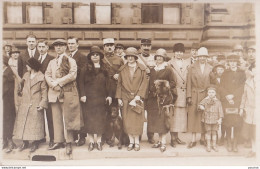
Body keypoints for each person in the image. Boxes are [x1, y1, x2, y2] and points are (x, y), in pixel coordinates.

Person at [45, 39, 82, 155]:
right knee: (56, 119)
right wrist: (52, 84)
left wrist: (58, 82)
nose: (58, 48)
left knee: (68, 118)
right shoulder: (51, 62)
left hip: (67, 92)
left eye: (61, 46)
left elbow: (72, 75)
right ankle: (58, 141)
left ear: (65, 47)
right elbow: (47, 74)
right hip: (54, 93)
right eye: (56, 46)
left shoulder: (71, 60)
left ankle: (69, 142)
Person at [79, 46, 112, 151]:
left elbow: (109, 83)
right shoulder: (85, 68)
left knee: (100, 120)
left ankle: (98, 141)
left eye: (97, 55)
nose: (95, 56)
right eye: (93, 55)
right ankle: (91, 142)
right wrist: (83, 95)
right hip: (88, 99)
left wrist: (110, 95)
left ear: (100, 56)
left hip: (101, 99)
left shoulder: (105, 68)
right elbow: (80, 83)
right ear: (90, 57)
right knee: (89, 120)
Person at [116, 47, 148, 151]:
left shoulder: (142, 69)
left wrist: (139, 96)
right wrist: (119, 98)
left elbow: (144, 83)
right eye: (128, 56)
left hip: (137, 98)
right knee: (127, 120)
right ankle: (131, 142)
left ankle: (137, 142)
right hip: (125, 98)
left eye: (132, 56)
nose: (130, 58)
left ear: (135, 57)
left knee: (137, 121)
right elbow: (119, 84)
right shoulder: (122, 69)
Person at [13, 58, 48, 153]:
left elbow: (44, 92)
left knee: (35, 125)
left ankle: (35, 143)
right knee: (23, 123)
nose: (26, 66)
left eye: (28, 65)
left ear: (32, 66)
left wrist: (42, 104)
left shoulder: (41, 77)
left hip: (35, 103)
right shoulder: (26, 75)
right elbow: (21, 87)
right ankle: (25, 142)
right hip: (25, 102)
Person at [147, 48, 177, 152]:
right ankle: (159, 141)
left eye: (161, 57)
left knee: (163, 121)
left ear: (164, 58)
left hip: (165, 98)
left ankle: (163, 142)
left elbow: (173, 83)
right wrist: (152, 88)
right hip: (154, 99)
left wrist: (163, 85)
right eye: (157, 57)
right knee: (156, 121)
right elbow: (150, 83)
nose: (159, 58)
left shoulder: (168, 69)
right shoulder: (152, 69)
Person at [186, 47, 213, 149]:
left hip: (205, 95)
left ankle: (203, 138)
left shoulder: (210, 68)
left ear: (206, 57)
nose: (202, 58)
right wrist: (188, 96)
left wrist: (211, 96)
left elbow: (212, 82)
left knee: (204, 117)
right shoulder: (192, 67)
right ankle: (193, 139)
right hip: (194, 94)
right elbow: (188, 82)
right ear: (197, 57)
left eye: (204, 56)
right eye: (200, 56)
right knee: (193, 117)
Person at [219, 54, 246, 152]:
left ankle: (235, 143)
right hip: (227, 101)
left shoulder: (242, 73)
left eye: (234, 61)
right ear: (228, 63)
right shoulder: (225, 73)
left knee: (237, 122)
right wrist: (227, 96)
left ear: (237, 62)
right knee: (227, 122)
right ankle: (229, 143)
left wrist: (233, 95)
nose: (233, 64)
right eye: (230, 61)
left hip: (238, 100)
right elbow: (221, 86)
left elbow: (243, 86)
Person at [168, 43, 189, 147]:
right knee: (173, 115)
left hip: (184, 92)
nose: (179, 54)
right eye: (177, 52)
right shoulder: (169, 63)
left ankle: (177, 137)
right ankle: (172, 137)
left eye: (181, 52)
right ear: (174, 52)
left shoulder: (187, 63)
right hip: (174, 93)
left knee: (181, 117)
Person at [67, 36, 86, 147]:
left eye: (73, 44)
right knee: (72, 113)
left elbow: (82, 76)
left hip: (78, 88)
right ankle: (73, 136)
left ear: (77, 45)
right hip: (69, 89)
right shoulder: (66, 57)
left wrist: (82, 93)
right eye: (69, 44)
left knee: (80, 114)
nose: (70, 46)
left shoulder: (82, 57)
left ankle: (82, 136)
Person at [37, 39, 55, 148]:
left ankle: (52, 138)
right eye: (39, 47)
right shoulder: (35, 59)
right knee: (38, 115)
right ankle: (40, 136)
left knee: (50, 116)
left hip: (49, 91)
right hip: (37, 92)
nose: (41, 49)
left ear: (47, 48)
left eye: (43, 47)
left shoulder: (51, 59)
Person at [137, 38, 156, 144]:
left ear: (151, 47)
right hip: (140, 89)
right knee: (139, 113)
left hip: (151, 90)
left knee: (151, 115)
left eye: (148, 45)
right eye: (144, 45)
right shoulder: (137, 59)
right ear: (140, 47)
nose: (146, 48)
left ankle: (150, 135)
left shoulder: (154, 58)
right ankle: (138, 134)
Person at [198, 85, 224, 152]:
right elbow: (200, 105)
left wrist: (220, 118)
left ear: (215, 93)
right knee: (208, 132)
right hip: (207, 119)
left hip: (215, 119)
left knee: (214, 132)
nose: (211, 94)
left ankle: (214, 145)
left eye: (212, 92)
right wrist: (201, 106)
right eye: (209, 92)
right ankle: (208, 145)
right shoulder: (205, 100)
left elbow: (220, 110)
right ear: (207, 93)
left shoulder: (218, 101)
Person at [240, 63, 256, 157]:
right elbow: (244, 96)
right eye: (252, 69)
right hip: (250, 110)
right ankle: (254, 150)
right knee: (252, 132)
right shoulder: (248, 81)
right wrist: (241, 108)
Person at [3, 56, 17, 153]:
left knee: (7, 119)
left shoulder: (8, 72)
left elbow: (9, 88)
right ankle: (4, 140)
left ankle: (9, 141)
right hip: (4, 99)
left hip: (7, 100)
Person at [8, 47, 22, 113]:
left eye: (17, 53)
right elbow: (14, 72)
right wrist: (19, 78)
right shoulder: (10, 61)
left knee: (20, 96)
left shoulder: (20, 60)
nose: (15, 54)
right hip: (13, 80)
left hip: (20, 79)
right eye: (13, 53)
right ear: (11, 54)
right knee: (15, 96)